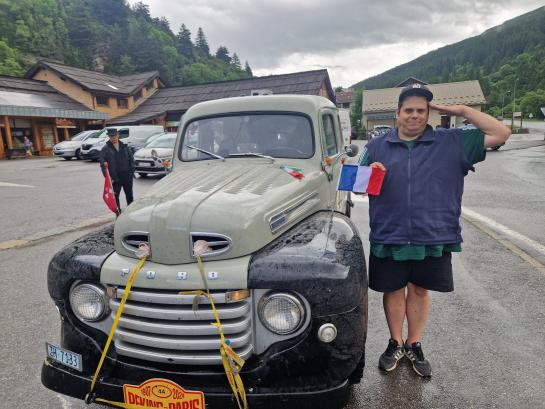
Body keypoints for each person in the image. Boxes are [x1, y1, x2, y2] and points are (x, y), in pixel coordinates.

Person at [360, 83, 511, 377]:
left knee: (418, 289)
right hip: (389, 233)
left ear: (428, 113)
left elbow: (501, 134)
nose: (414, 115)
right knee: (392, 290)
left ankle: (414, 344)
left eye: (421, 110)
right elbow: (357, 185)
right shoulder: (377, 145)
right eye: (409, 110)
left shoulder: (453, 141)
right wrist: (372, 173)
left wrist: (463, 111)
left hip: (433, 234)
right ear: (398, 113)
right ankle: (396, 342)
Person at [99, 128, 135, 211]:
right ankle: (118, 212)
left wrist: (131, 171)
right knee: (115, 196)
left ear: (118, 135)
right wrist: (108, 177)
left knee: (129, 195)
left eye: (115, 136)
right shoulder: (105, 149)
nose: (114, 138)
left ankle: (131, 211)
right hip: (115, 177)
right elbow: (102, 164)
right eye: (111, 136)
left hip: (127, 176)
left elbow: (131, 159)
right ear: (109, 137)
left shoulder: (124, 146)